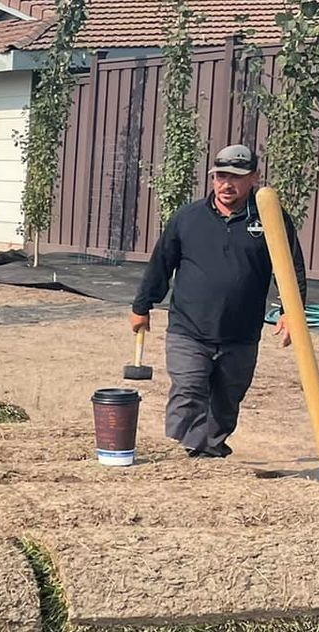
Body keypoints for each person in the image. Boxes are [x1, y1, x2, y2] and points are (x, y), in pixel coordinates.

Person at [129, 143, 305, 458]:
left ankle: (210, 455)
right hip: (189, 329)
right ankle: (179, 457)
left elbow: (291, 268)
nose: (226, 183)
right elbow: (161, 263)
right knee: (188, 392)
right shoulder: (189, 218)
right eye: (220, 176)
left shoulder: (271, 219)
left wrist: (292, 312)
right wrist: (142, 306)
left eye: (236, 177)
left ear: (254, 177)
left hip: (241, 334)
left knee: (227, 401)